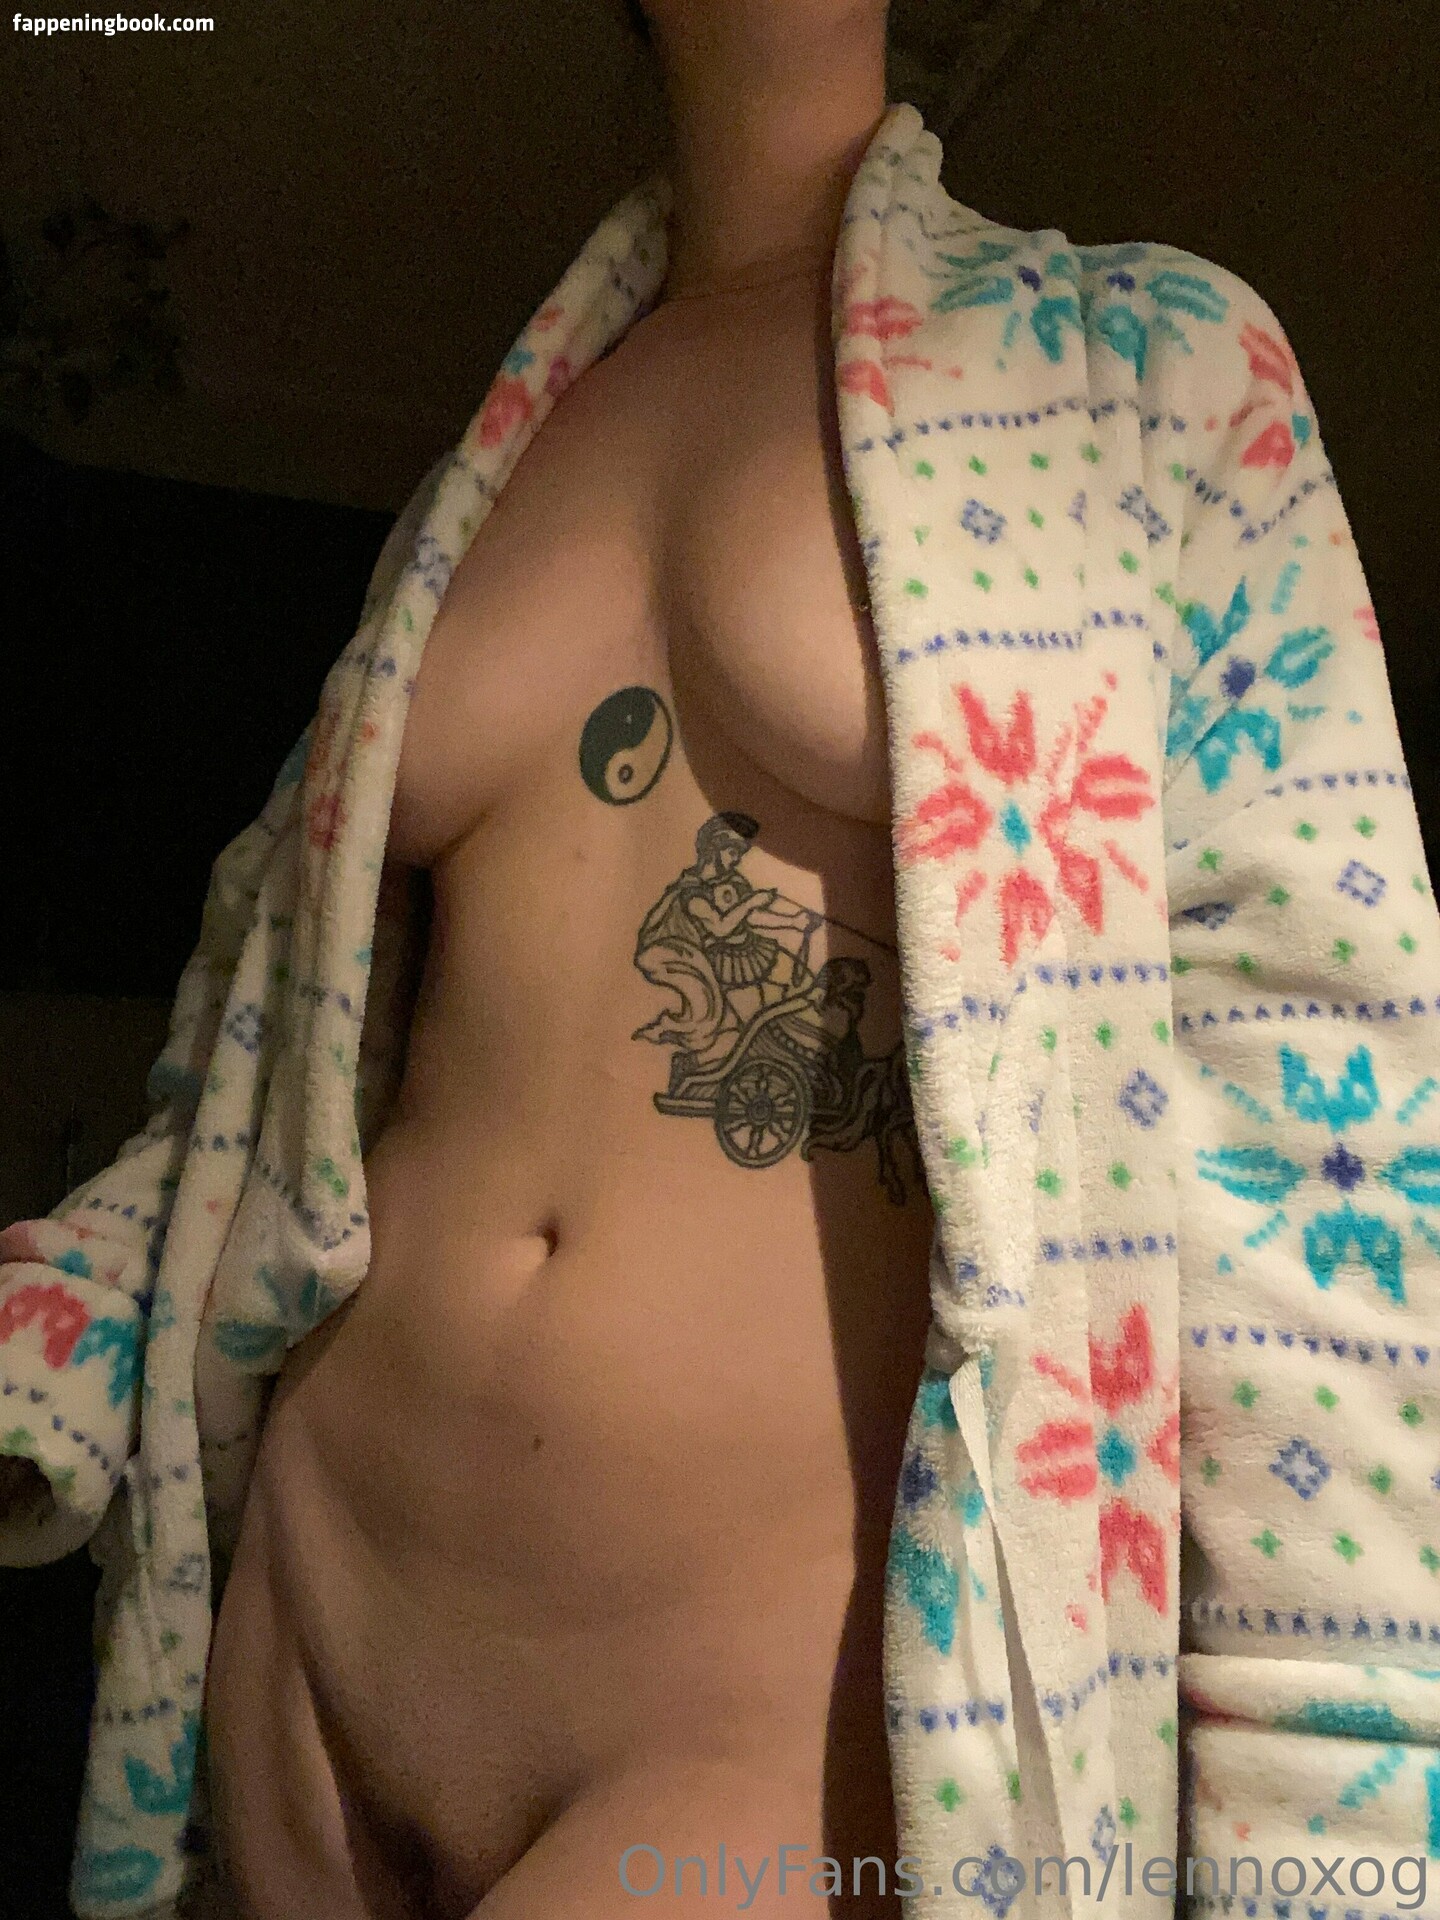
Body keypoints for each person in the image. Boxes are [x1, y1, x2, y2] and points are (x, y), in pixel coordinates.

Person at [199, 3, 938, 1915]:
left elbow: (1319, 1099)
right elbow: (269, 1035)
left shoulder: (1134, 370)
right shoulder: (508, 441)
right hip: (312, 1603)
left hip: (750, 1717)